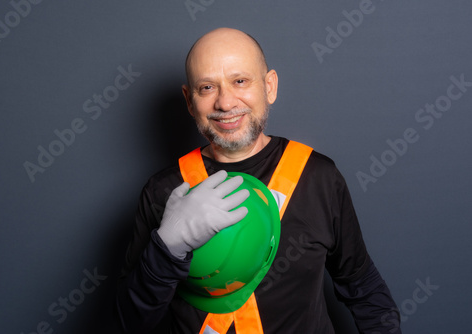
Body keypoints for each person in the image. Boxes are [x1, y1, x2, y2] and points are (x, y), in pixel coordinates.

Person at [116, 27, 401, 334]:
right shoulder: (162, 192)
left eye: (240, 81)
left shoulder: (319, 178)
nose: (225, 103)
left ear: (269, 87)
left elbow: (363, 287)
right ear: (189, 100)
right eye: (207, 88)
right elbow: (130, 323)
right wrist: (166, 248)